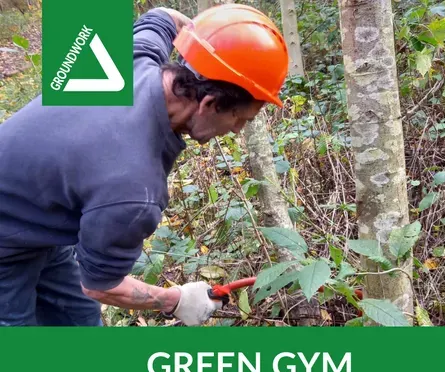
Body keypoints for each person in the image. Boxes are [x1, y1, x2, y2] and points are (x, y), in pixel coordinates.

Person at [0, 4, 289, 326]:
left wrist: (213, 40)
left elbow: (164, 15)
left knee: (79, 322)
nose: (237, 130)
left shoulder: (132, 62)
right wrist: (176, 300)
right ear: (209, 104)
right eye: (239, 119)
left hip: (37, 223)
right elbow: (101, 286)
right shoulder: (133, 186)